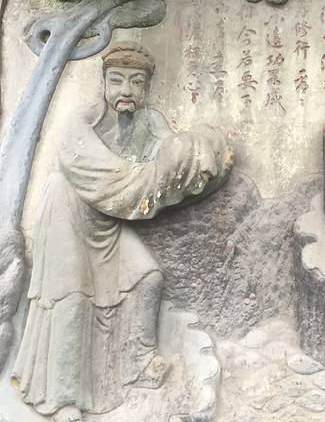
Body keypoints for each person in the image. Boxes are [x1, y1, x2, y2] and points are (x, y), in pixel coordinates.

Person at [12, 41, 232, 422]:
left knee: (147, 277)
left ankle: (137, 363)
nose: (126, 91)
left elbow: (170, 159)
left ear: (145, 88)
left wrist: (196, 151)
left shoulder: (149, 122)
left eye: (136, 83)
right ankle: (63, 397)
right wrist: (149, 178)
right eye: (117, 81)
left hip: (107, 219)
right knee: (71, 296)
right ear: (104, 84)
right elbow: (116, 180)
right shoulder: (83, 121)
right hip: (68, 210)